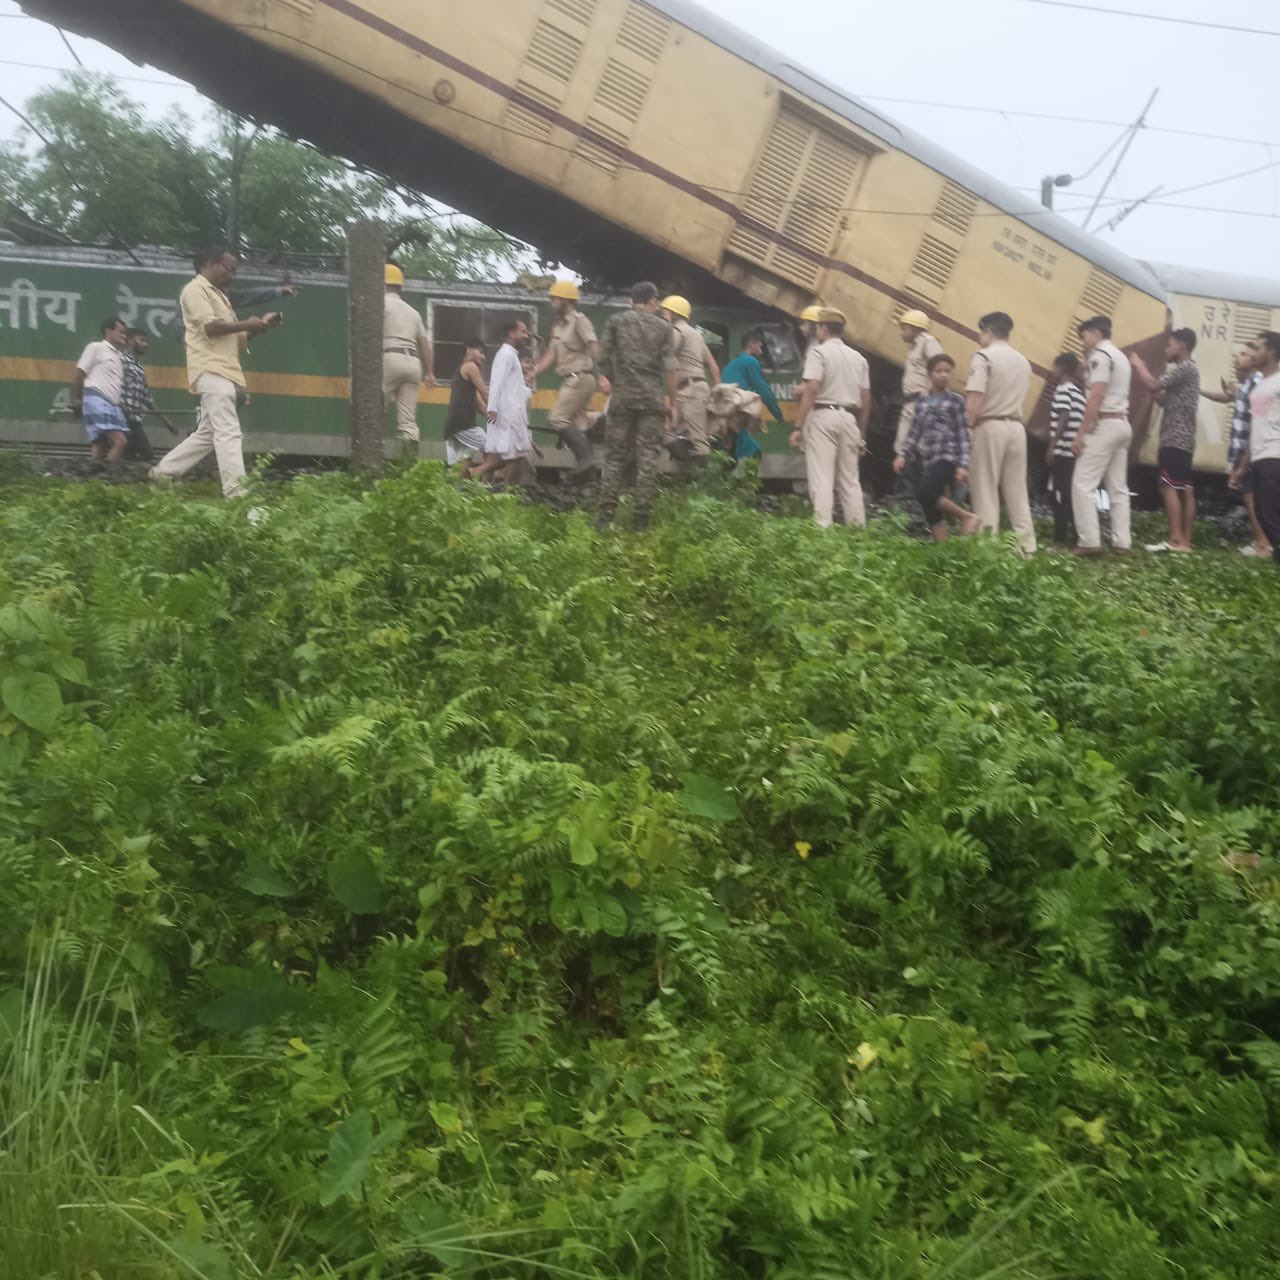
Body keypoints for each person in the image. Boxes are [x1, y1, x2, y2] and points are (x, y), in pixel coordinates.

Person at [150, 245, 283, 499]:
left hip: (225, 370)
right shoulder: (195, 290)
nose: (232, 274)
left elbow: (237, 339)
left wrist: (261, 325)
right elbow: (210, 328)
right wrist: (246, 322)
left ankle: (163, 472)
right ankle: (237, 496)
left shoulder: (220, 297)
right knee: (228, 431)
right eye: (228, 268)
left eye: (234, 270)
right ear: (209, 263)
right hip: (210, 369)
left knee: (208, 433)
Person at [596, 281, 678, 531]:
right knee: (648, 459)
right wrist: (672, 402)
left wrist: (607, 376)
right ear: (653, 301)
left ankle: (605, 518)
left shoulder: (616, 322)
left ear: (632, 300)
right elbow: (671, 368)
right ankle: (641, 519)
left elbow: (602, 355)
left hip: (623, 398)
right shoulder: (665, 328)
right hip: (652, 401)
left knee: (614, 457)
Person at [964, 311, 1036, 554]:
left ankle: (988, 545)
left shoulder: (984, 357)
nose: (979, 337)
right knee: (1017, 491)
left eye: (981, 332)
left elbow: (975, 398)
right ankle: (1026, 547)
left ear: (989, 332)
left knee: (984, 488)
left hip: (990, 426)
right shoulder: (1023, 361)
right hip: (1016, 427)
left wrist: (968, 428)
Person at [791, 308, 869, 528]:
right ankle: (857, 532)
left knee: (822, 479)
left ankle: (822, 533)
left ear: (823, 328)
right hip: (850, 419)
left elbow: (812, 389)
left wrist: (798, 426)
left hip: (824, 416)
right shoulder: (859, 358)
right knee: (850, 481)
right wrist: (862, 435)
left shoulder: (819, 353)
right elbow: (866, 399)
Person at [893, 353, 978, 541]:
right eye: (939, 371)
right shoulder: (922, 402)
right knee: (929, 505)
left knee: (924, 492)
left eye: (947, 371)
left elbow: (963, 435)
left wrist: (963, 465)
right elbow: (914, 432)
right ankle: (943, 549)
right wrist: (902, 455)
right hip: (929, 459)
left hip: (948, 458)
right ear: (930, 373)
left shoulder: (956, 401)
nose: (944, 375)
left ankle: (967, 517)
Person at [1131, 328, 1201, 553]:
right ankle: (1185, 542)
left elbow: (1154, 385)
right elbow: (1163, 400)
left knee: (1167, 486)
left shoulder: (1185, 368)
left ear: (1181, 345)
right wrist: (1150, 384)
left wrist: (1140, 367)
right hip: (1185, 438)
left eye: (1169, 344)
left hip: (1175, 438)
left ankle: (1175, 540)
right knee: (1185, 489)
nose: (1166, 349)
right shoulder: (1189, 371)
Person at [1069, 316, 1132, 557]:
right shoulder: (1120, 356)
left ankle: (1089, 541)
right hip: (1122, 422)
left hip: (1104, 423)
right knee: (1118, 488)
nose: (1083, 343)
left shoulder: (1100, 356)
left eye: (1084, 337)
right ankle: (1122, 542)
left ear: (1095, 333)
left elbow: (1096, 395)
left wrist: (1081, 433)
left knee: (1082, 484)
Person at [1204, 349, 1269, 558]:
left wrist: (1243, 460)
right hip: (1244, 450)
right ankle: (1262, 541)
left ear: (1252, 360)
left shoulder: (1257, 383)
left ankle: (1262, 544)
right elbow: (1230, 398)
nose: (1236, 356)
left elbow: (1257, 421)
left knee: (1251, 497)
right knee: (1250, 496)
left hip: (1248, 451)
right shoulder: (1248, 385)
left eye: (1243, 353)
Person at [528, 280, 597, 472]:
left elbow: (593, 346)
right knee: (579, 425)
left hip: (580, 377)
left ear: (565, 300)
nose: (552, 303)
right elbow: (551, 354)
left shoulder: (580, 321)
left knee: (557, 418)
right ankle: (586, 473)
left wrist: (605, 374)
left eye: (554, 299)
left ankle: (587, 459)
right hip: (570, 379)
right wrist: (534, 373)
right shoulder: (559, 327)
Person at [382, 263, 435, 456]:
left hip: (389, 357)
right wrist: (430, 372)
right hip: (413, 363)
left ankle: (370, 459)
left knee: (372, 409)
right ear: (400, 286)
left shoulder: (380, 304)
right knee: (408, 421)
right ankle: (408, 465)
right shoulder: (413, 312)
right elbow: (424, 344)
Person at [1238, 331, 1280, 566]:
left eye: (1257, 348)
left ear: (1272, 352)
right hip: (1261, 457)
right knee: (1264, 514)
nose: (1252, 353)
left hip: (1276, 455)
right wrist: (1243, 466)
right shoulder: (1259, 386)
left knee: (1271, 514)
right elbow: (1256, 428)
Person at [661, 295, 719, 463]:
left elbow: (667, 357)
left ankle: (704, 483)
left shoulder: (677, 331)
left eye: (665, 313)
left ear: (674, 314)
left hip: (690, 390)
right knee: (668, 432)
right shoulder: (697, 335)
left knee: (698, 441)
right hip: (692, 389)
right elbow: (713, 365)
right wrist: (718, 389)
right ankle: (685, 467)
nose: (662, 316)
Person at [472, 319, 532, 483]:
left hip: (511, 413)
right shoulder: (506, 355)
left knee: (511, 456)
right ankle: (503, 491)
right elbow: (497, 381)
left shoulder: (511, 355)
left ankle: (494, 490)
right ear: (511, 333)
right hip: (507, 414)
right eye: (523, 332)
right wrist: (492, 407)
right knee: (512, 457)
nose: (526, 336)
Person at [715, 331, 783, 461]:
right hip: (738, 412)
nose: (761, 351)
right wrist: (777, 413)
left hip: (726, 413)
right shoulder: (750, 361)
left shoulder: (732, 364)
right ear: (751, 345)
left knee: (731, 453)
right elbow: (763, 389)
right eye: (760, 346)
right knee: (752, 452)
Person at [72, 317, 130, 465]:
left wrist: (120, 403)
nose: (124, 336)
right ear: (108, 332)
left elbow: (113, 383)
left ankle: (92, 477)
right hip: (96, 399)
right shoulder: (96, 348)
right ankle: (106, 476)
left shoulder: (119, 357)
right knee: (120, 442)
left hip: (112, 404)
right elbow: (80, 373)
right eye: (121, 332)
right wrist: (78, 399)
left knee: (101, 445)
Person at [1045, 352, 1086, 548]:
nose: (1052, 373)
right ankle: (1078, 535)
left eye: (1054, 368)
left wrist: (1052, 446)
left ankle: (1061, 539)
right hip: (1073, 452)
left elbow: (1064, 416)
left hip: (1063, 451)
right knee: (1068, 494)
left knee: (1059, 496)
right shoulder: (1078, 392)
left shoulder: (1063, 389)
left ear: (1061, 369)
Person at [119, 327, 173, 464]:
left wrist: (167, 422)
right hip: (121, 418)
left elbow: (147, 398)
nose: (145, 344)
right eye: (142, 340)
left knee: (128, 457)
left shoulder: (140, 368)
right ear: (130, 341)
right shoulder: (121, 361)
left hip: (134, 420)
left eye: (146, 341)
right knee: (146, 455)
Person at [895, 309, 945, 453]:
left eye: (904, 328)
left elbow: (940, 367)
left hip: (920, 403)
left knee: (916, 448)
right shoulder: (915, 346)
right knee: (902, 447)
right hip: (911, 402)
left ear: (914, 328)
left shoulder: (928, 343)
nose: (902, 332)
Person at [444, 337, 489, 474]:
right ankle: (487, 483)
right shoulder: (471, 366)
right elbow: (485, 393)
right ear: (468, 350)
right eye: (480, 352)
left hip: (453, 424)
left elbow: (480, 404)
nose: (483, 356)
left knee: (464, 463)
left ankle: (461, 492)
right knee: (493, 450)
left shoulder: (461, 372)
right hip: (463, 424)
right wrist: (498, 410)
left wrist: (491, 415)